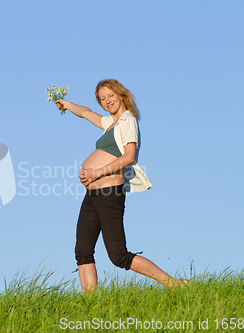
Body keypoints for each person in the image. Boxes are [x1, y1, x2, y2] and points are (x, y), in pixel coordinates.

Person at [55, 79, 186, 293]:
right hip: (93, 194)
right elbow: (86, 113)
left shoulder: (127, 121)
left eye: (110, 96)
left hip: (109, 193)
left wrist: (97, 172)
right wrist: (66, 104)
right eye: (102, 99)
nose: (107, 101)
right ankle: (90, 303)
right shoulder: (111, 124)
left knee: (118, 255)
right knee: (83, 250)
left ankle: (173, 284)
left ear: (121, 96)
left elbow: (129, 157)